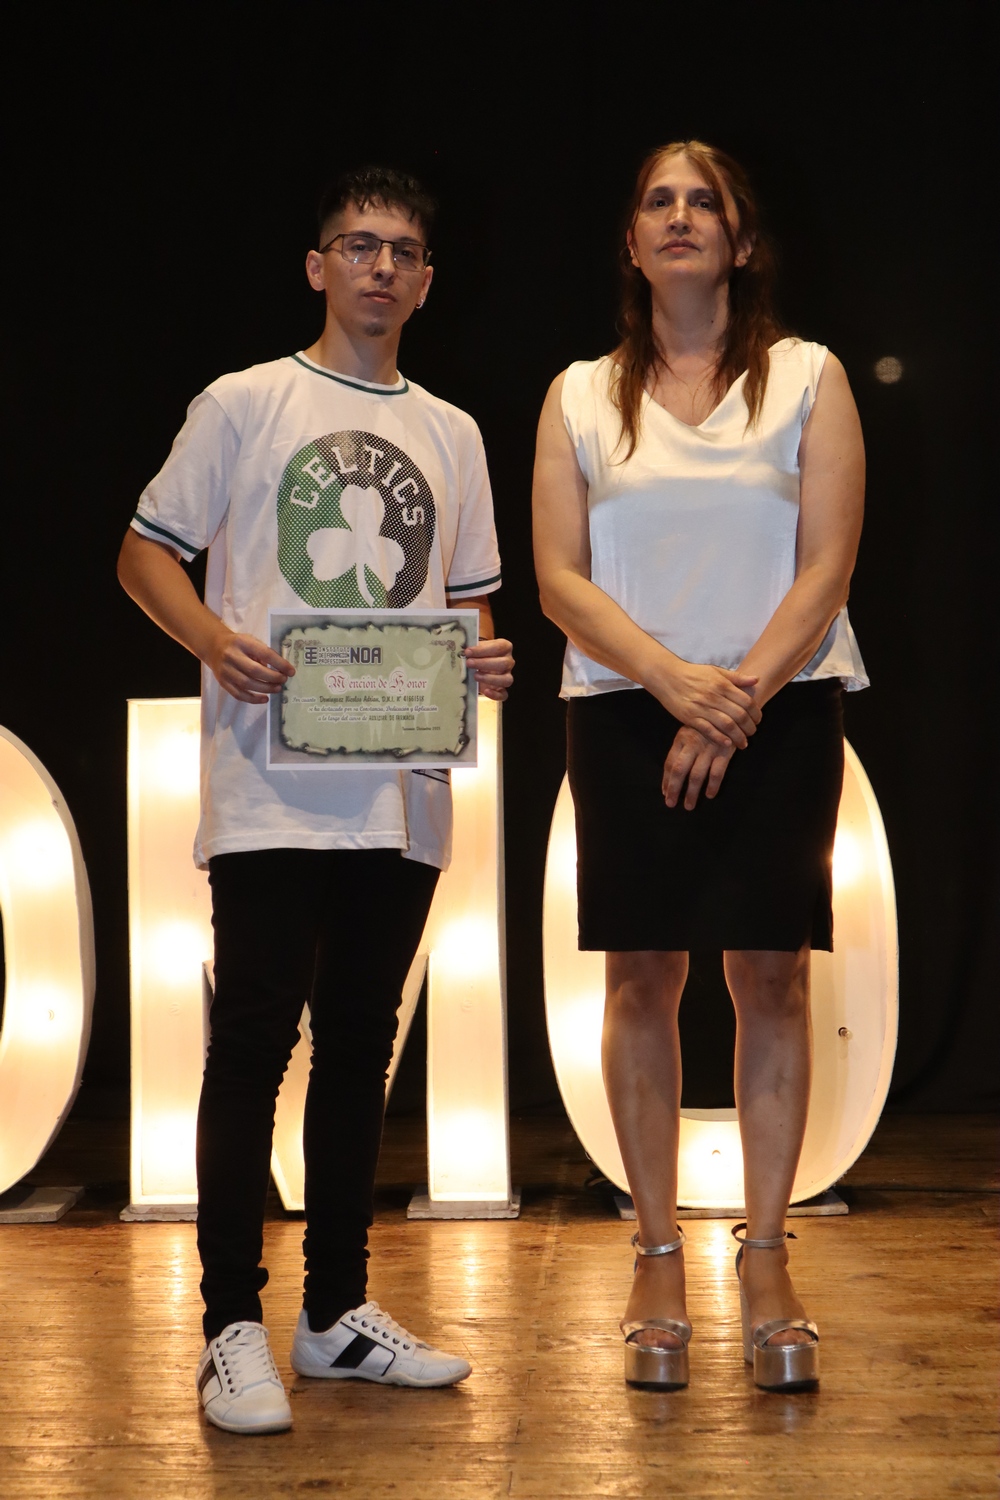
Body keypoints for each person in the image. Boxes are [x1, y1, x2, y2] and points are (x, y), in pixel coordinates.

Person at [118, 166, 514, 1434]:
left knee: (359, 1045)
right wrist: (212, 639)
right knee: (252, 1044)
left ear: (427, 281)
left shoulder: (453, 432)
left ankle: (336, 1313)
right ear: (317, 266)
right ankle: (229, 1326)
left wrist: (483, 661)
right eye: (358, 245)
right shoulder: (244, 402)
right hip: (273, 781)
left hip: (400, 787)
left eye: (402, 251)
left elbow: (466, 603)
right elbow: (142, 553)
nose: (380, 267)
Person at [532, 140, 866, 1392]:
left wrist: (731, 702)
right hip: (628, 710)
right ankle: (657, 1254)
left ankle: (767, 1257)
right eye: (657, 202)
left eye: (703, 202)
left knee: (772, 977)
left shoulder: (810, 378)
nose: (679, 217)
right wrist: (676, 685)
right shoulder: (576, 395)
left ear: (741, 240)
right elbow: (558, 578)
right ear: (631, 243)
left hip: (778, 705)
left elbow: (826, 568)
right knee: (640, 979)